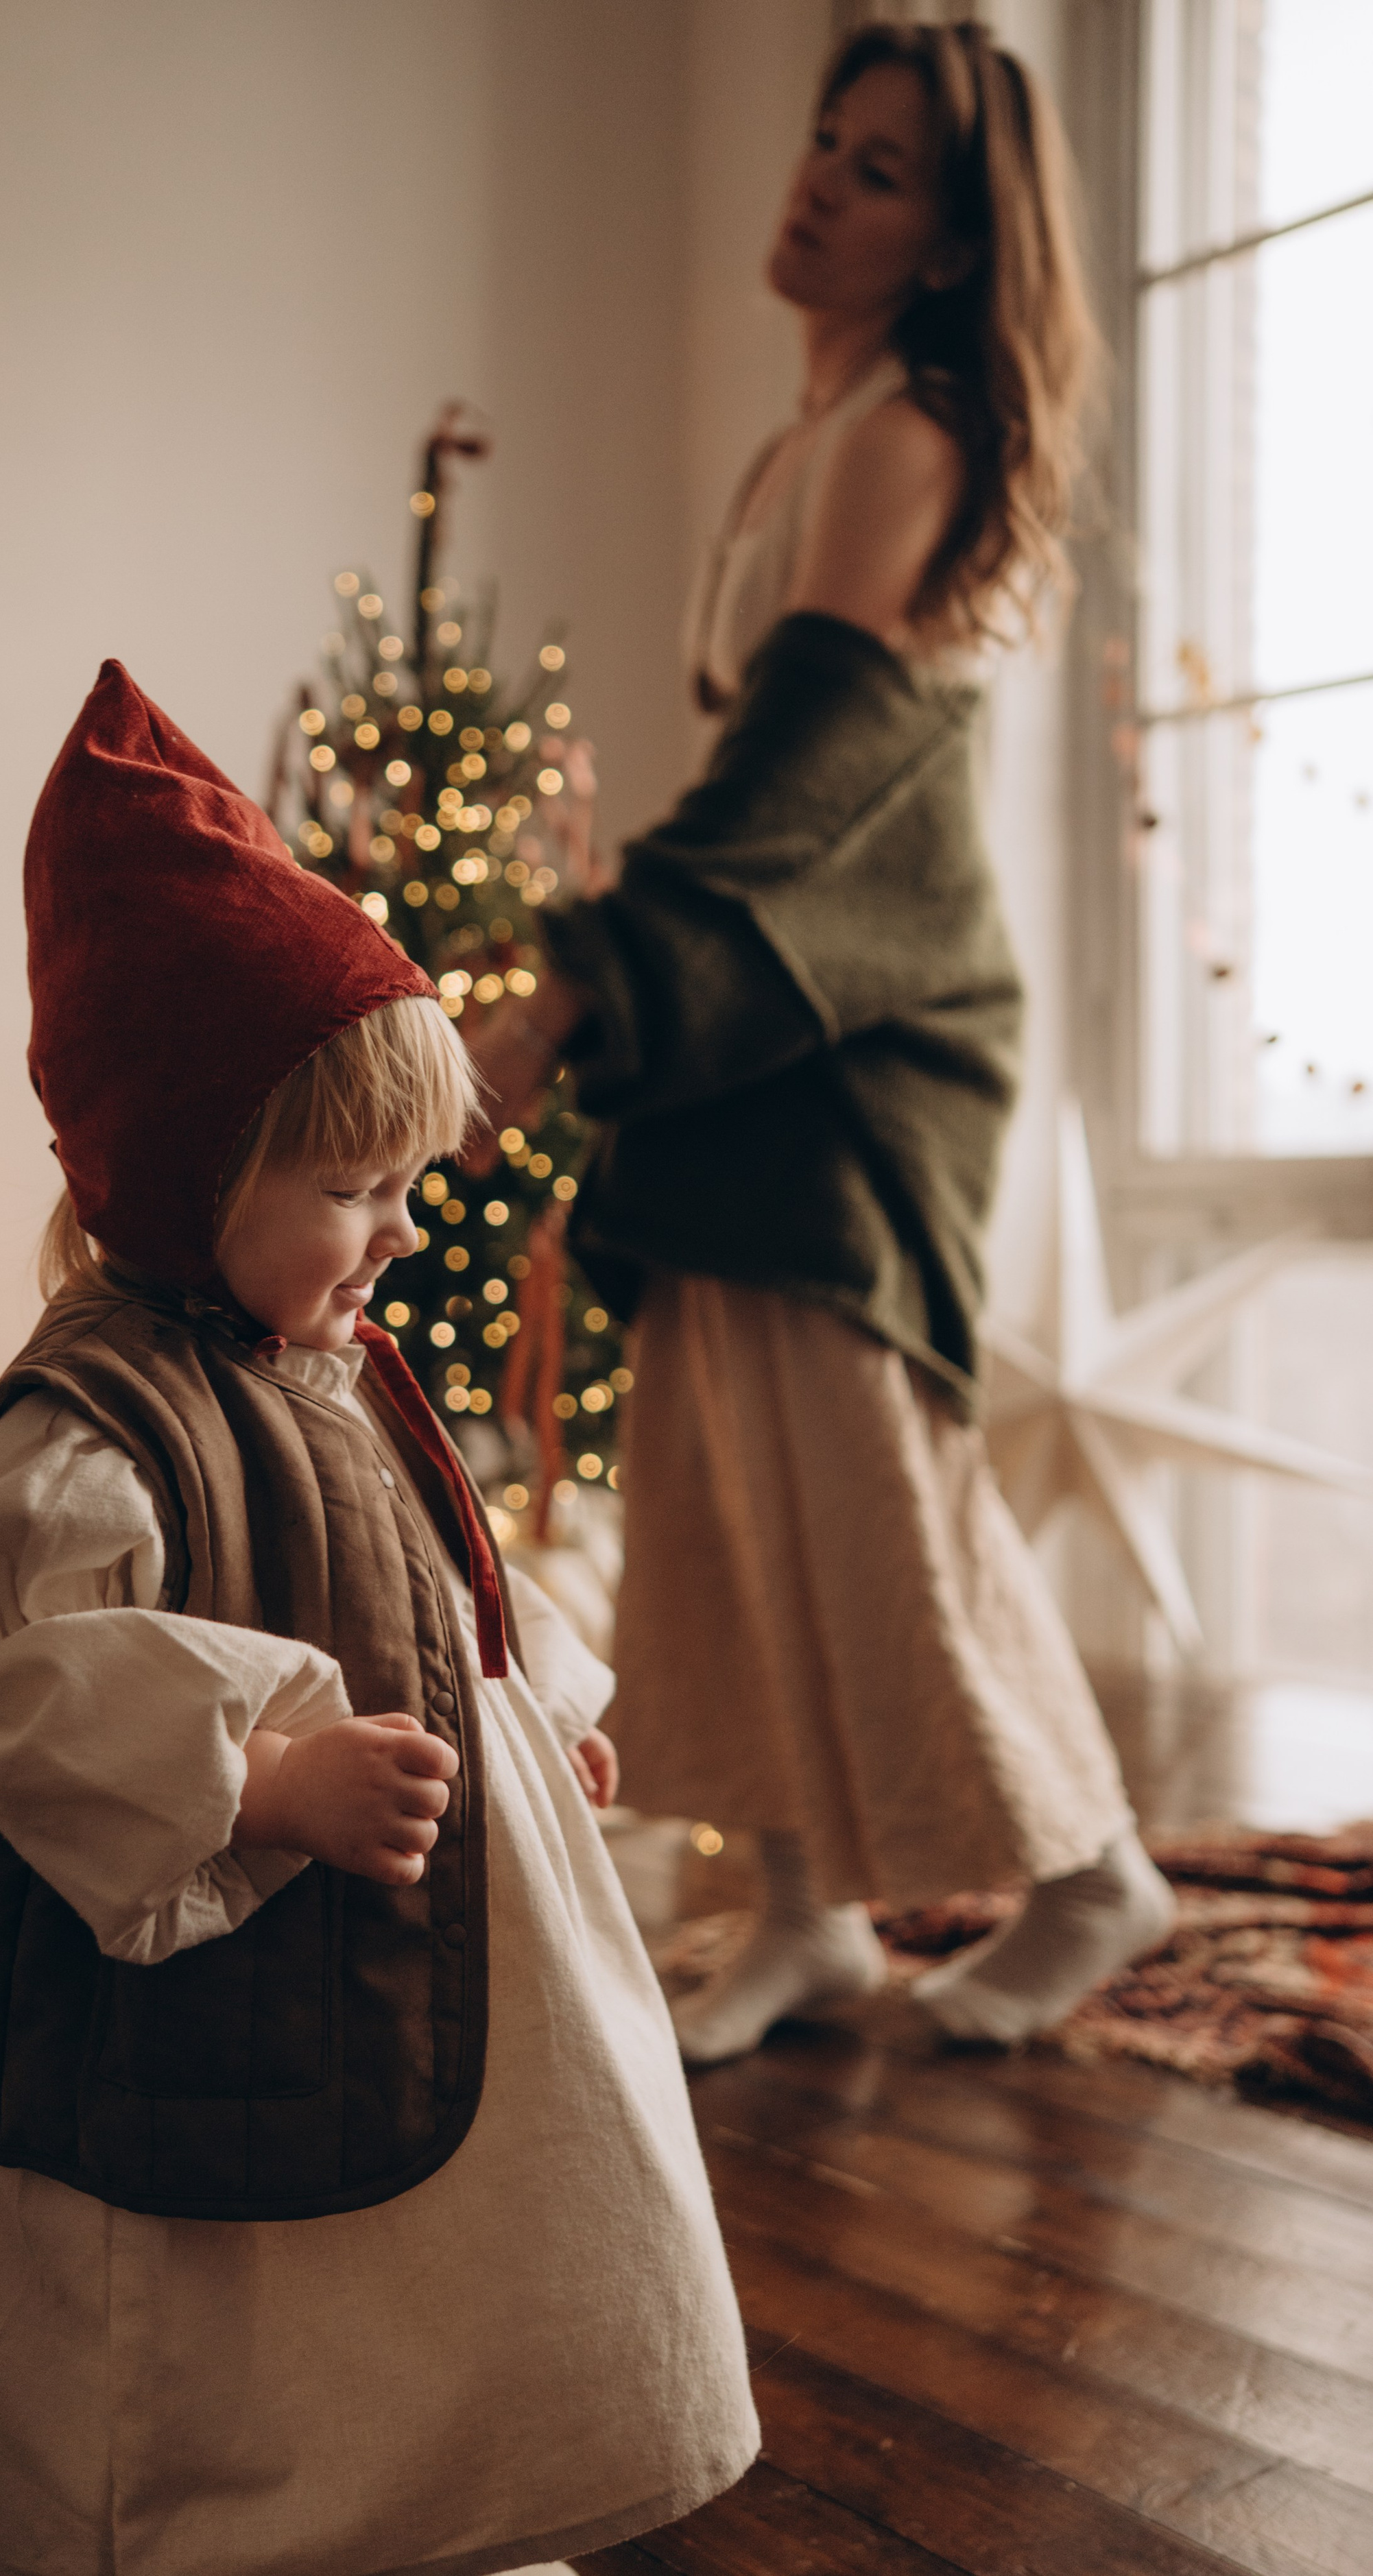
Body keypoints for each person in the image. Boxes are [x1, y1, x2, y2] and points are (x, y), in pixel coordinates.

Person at [0, 659, 757, 2576]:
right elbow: (34, 1702)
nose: (397, 1232)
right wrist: (259, 1781)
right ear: (191, 1176)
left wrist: (534, 1714)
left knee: (448, 2255)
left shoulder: (330, 1368)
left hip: (432, 1916)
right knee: (224, 2335)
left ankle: (451, 2487)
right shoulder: (90, 1441)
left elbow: (437, 1570)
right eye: (349, 1187)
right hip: (210, 1965)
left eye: (405, 1184)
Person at [470, 21, 1175, 2064]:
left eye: (874, 173)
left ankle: (1093, 1875)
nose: (814, 186)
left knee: (869, 1483)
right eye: (820, 142)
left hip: (870, 1028)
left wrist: (580, 980)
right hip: (777, 1005)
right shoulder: (808, 440)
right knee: (706, 1468)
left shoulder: (901, 435)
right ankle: (804, 1915)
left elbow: (811, 773)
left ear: (951, 242)